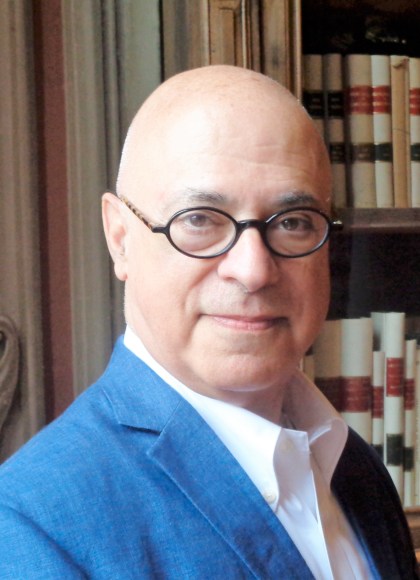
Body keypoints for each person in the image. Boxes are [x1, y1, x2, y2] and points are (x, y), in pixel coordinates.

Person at [0, 65, 417, 579]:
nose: (253, 270)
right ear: (120, 238)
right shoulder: (28, 529)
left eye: (292, 222)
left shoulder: (357, 472)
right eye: (198, 219)